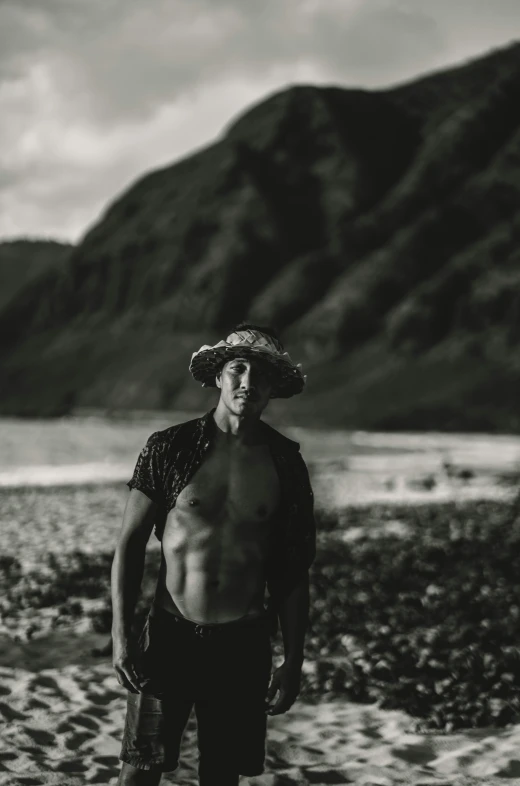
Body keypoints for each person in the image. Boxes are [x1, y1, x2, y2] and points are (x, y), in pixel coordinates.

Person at [112, 323, 316, 785]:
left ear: (274, 387)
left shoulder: (286, 462)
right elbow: (129, 543)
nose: (248, 382)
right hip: (169, 638)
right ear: (220, 378)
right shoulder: (169, 447)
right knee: (139, 772)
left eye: (260, 375)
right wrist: (122, 635)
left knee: (222, 777)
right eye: (238, 369)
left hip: (243, 647)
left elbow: (293, 568)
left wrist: (295, 659)